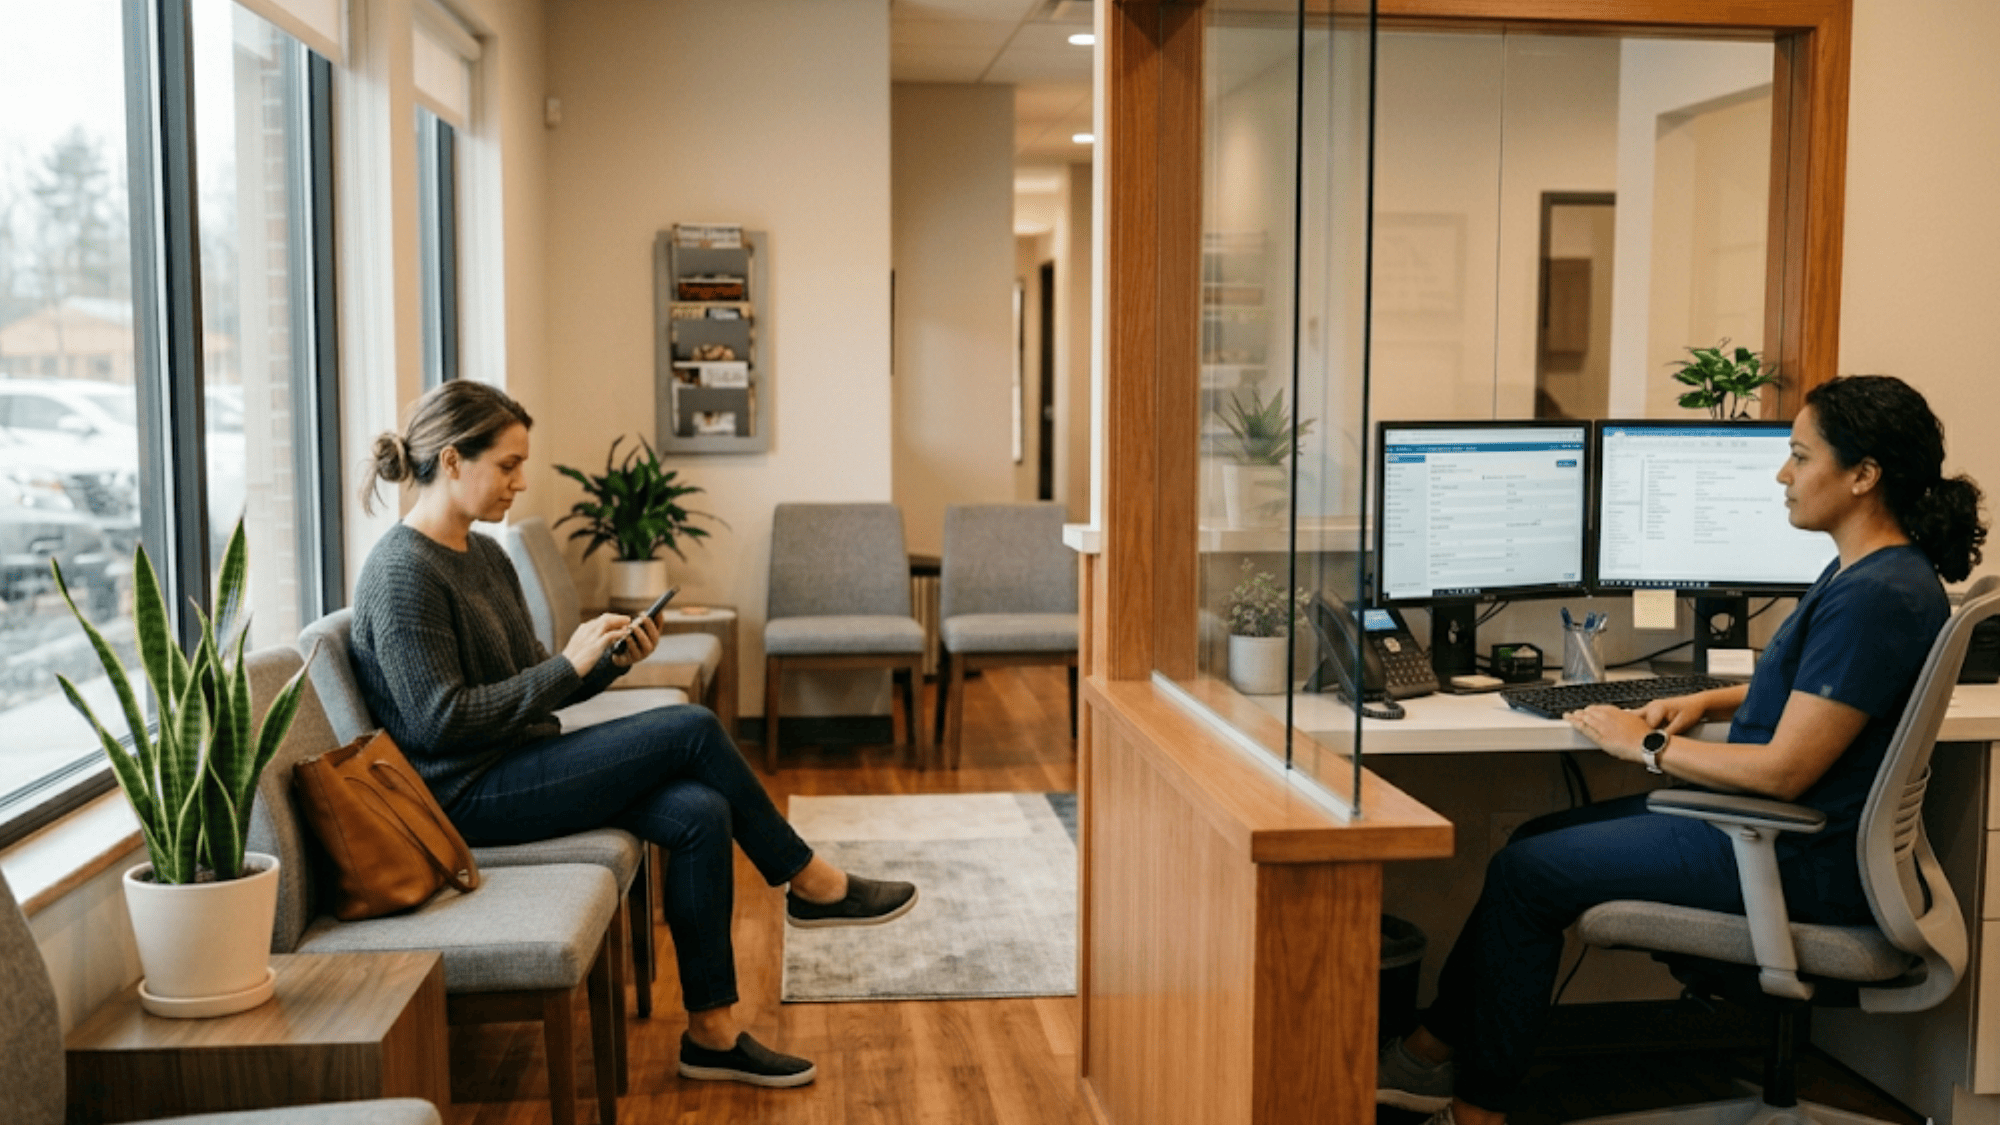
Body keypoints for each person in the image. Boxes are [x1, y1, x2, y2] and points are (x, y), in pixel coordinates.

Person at [1377, 375, 1988, 1125]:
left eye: (1799, 455)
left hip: (1793, 854)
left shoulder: (1877, 595)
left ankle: (1475, 1104)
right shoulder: (1877, 571)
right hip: (1793, 838)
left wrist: (1648, 744)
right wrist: (1709, 699)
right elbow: (1821, 690)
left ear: (1864, 475)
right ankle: (1430, 1052)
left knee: (1526, 873)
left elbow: (1785, 769)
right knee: (1533, 843)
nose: (1782, 475)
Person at [351, 380, 917, 1090]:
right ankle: (808, 879)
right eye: (508, 465)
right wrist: (565, 664)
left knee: (699, 814)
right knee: (692, 727)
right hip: (462, 795)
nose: (520, 482)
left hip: (518, 760)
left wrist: (604, 663)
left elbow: (533, 682)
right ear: (454, 459)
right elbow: (439, 723)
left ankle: (711, 1035)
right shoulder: (401, 573)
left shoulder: (484, 555)